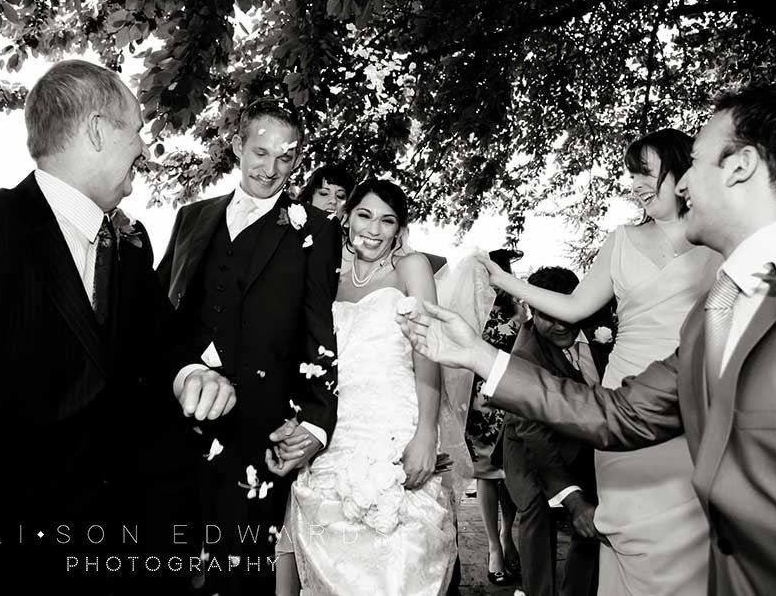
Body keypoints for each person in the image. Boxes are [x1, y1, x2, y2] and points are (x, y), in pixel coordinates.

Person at [400, 84, 776, 596]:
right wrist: (476, 353)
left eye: (698, 163)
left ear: (741, 167)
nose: (684, 184)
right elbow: (621, 416)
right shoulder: (718, 311)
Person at [0, 60, 233, 596]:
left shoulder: (131, 251)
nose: (143, 144)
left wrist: (189, 376)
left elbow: (159, 349)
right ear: (96, 129)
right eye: (136, 128)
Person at [480, 129, 719, 595]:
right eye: (631, 174)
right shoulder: (622, 239)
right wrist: (507, 283)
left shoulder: (716, 240)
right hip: (621, 398)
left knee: (691, 527)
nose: (635, 184)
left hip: (694, 394)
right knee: (628, 527)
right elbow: (572, 308)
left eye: (645, 172)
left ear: (682, 171)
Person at [157, 99, 341, 594]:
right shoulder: (192, 217)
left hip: (260, 426)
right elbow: (160, 316)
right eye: (260, 153)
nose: (270, 168)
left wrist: (316, 421)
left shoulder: (317, 230)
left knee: (243, 567)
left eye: (285, 158)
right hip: (178, 417)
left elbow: (318, 328)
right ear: (238, 146)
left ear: (297, 161)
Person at [283, 179, 457, 595]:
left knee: (399, 564)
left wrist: (426, 435)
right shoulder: (326, 274)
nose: (374, 229)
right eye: (364, 215)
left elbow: (427, 354)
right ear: (346, 217)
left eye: (387, 220)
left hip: (394, 430)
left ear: (399, 229)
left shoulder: (410, 268)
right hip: (336, 434)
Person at [504, 266, 603, 596]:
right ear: (532, 309)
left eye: (566, 313)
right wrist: (571, 501)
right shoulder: (525, 357)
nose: (561, 324)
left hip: (586, 438)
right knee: (536, 510)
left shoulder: (605, 326)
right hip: (531, 442)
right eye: (548, 316)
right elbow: (535, 436)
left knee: (595, 518)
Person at [466, 249, 523, 585]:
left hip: (513, 398)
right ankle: (493, 547)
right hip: (481, 404)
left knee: (509, 473)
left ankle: (507, 535)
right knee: (487, 475)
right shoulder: (473, 306)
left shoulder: (519, 307)